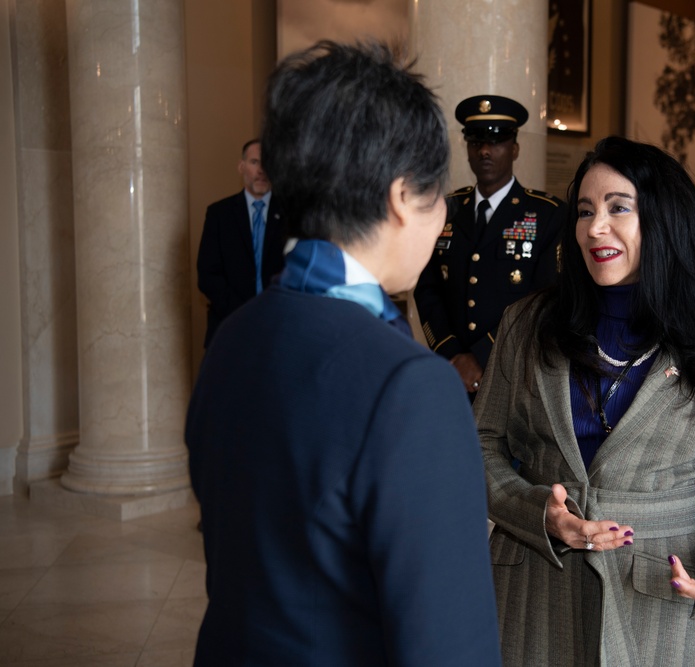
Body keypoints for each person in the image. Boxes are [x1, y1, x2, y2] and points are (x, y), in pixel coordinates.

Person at [185, 41, 502, 667]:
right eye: (436, 198)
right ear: (399, 196)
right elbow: (447, 646)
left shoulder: (233, 338)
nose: (441, 224)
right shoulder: (411, 387)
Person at [476, 136, 695, 666]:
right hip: (537, 584)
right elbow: (482, 445)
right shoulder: (526, 324)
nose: (594, 228)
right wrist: (537, 511)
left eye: (619, 208)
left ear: (665, 221)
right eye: (585, 211)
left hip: (661, 593)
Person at [414, 94, 567, 397]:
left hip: (513, 375)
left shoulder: (548, 214)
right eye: (475, 142)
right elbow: (426, 286)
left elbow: (544, 299)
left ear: (515, 148)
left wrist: (483, 356)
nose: (484, 151)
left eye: (496, 141)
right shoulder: (445, 209)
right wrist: (453, 354)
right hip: (452, 374)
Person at [196, 138, 286, 347]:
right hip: (229, 327)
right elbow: (207, 274)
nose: (262, 170)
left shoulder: (291, 214)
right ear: (241, 167)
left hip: (279, 327)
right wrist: (243, 312)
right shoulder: (219, 214)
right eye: (255, 162)